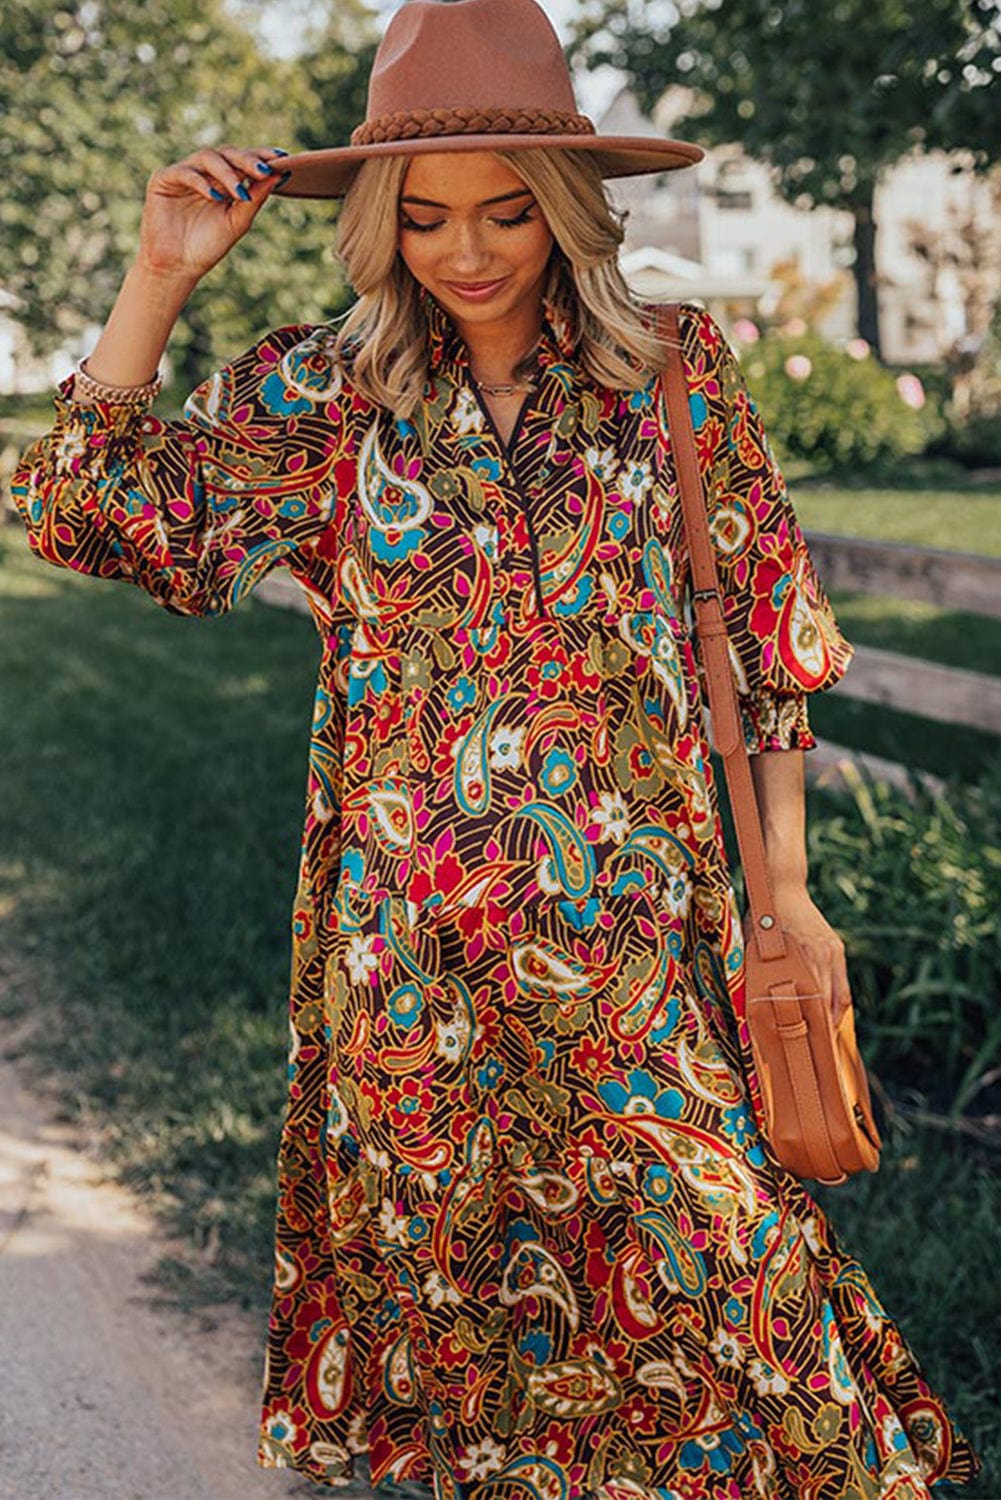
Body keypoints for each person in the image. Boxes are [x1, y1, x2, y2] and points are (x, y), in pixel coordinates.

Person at [9, 0, 984, 1496]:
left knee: (732, 1284)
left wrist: (784, 894)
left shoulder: (670, 372)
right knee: (479, 1345)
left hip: (642, 952)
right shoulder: (327, 400)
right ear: (382, 226)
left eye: (508, 211)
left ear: (569, 207)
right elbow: (84, 512)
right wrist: (155, 278)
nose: (466, 253)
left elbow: (769, 651)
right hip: (411, 969)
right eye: (429, 219)